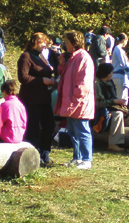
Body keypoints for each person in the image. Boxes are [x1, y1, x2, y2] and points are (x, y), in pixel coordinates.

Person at [54, 31, 95, 170]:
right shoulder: (73, 57)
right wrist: (61, 64)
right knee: (72, 131)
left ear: (74, 43)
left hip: (79, 101)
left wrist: (78, 95)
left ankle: (86, 159)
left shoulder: (83, 57)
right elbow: (66, 75)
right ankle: (77, 158)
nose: (65, 44)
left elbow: (84, 79)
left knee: (82, 130)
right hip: (71, 101)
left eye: (67, 42)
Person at [17, 32, 57, 165]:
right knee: (33, 127)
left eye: (45, 42)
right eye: (41, 42)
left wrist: (51, 78)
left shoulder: (41, 56)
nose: (44, 45)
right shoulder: (26, 56)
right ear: (34, 42)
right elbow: (23, 77)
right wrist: (42, 81)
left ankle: (45, 152)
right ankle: (34, 154)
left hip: (44, 98)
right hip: (31, 98)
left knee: (49, 125)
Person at [93, 63, 129, 152]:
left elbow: (113, 98)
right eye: (111, 72)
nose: (112, 74)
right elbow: (98, 104)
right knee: (118, 114)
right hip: (101, 112)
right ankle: (114, 143)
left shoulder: (110, 82)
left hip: (111, 107)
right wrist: (114, 101)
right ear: (106, 73)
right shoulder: (96, 84)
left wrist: (119, 103)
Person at [111, 33, 129, 103]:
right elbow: (124, 64)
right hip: (119, 76)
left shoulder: (117, 49)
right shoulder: (118, 49)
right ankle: (120, 112)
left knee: (122, 97)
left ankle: (122, 112)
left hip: (119, 76)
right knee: (121, 98)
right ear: (124, 40)